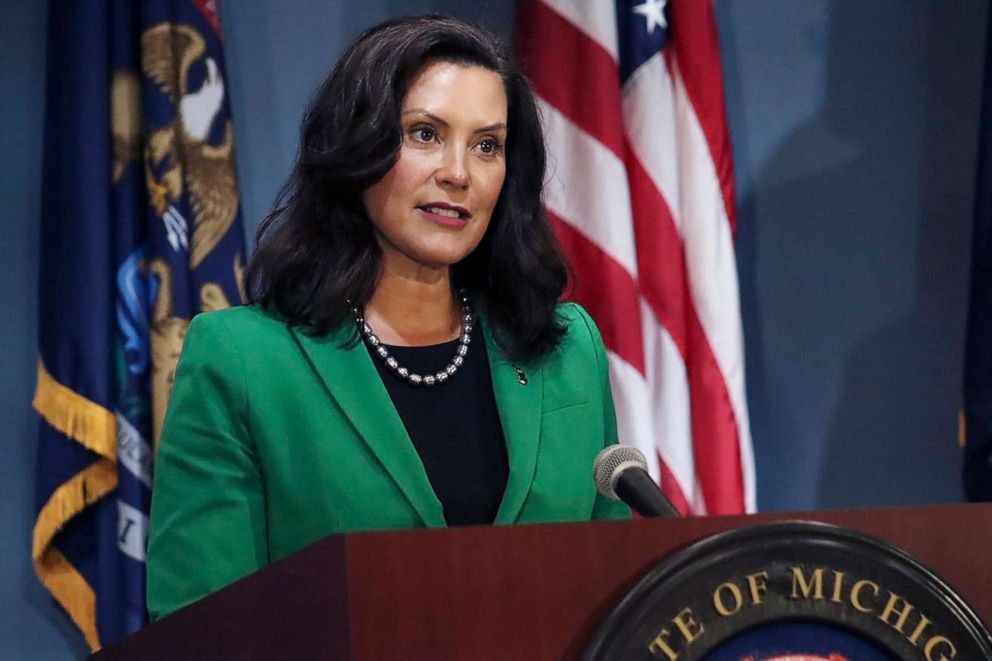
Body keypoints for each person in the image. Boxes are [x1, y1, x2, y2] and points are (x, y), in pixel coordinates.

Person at [146, 14, 630, 621]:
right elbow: (200, 628)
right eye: (425, 134)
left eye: (487, 145)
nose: (459, 173)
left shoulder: (565, 350)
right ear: (357, 145)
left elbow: (623, 596)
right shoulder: (244, 360)